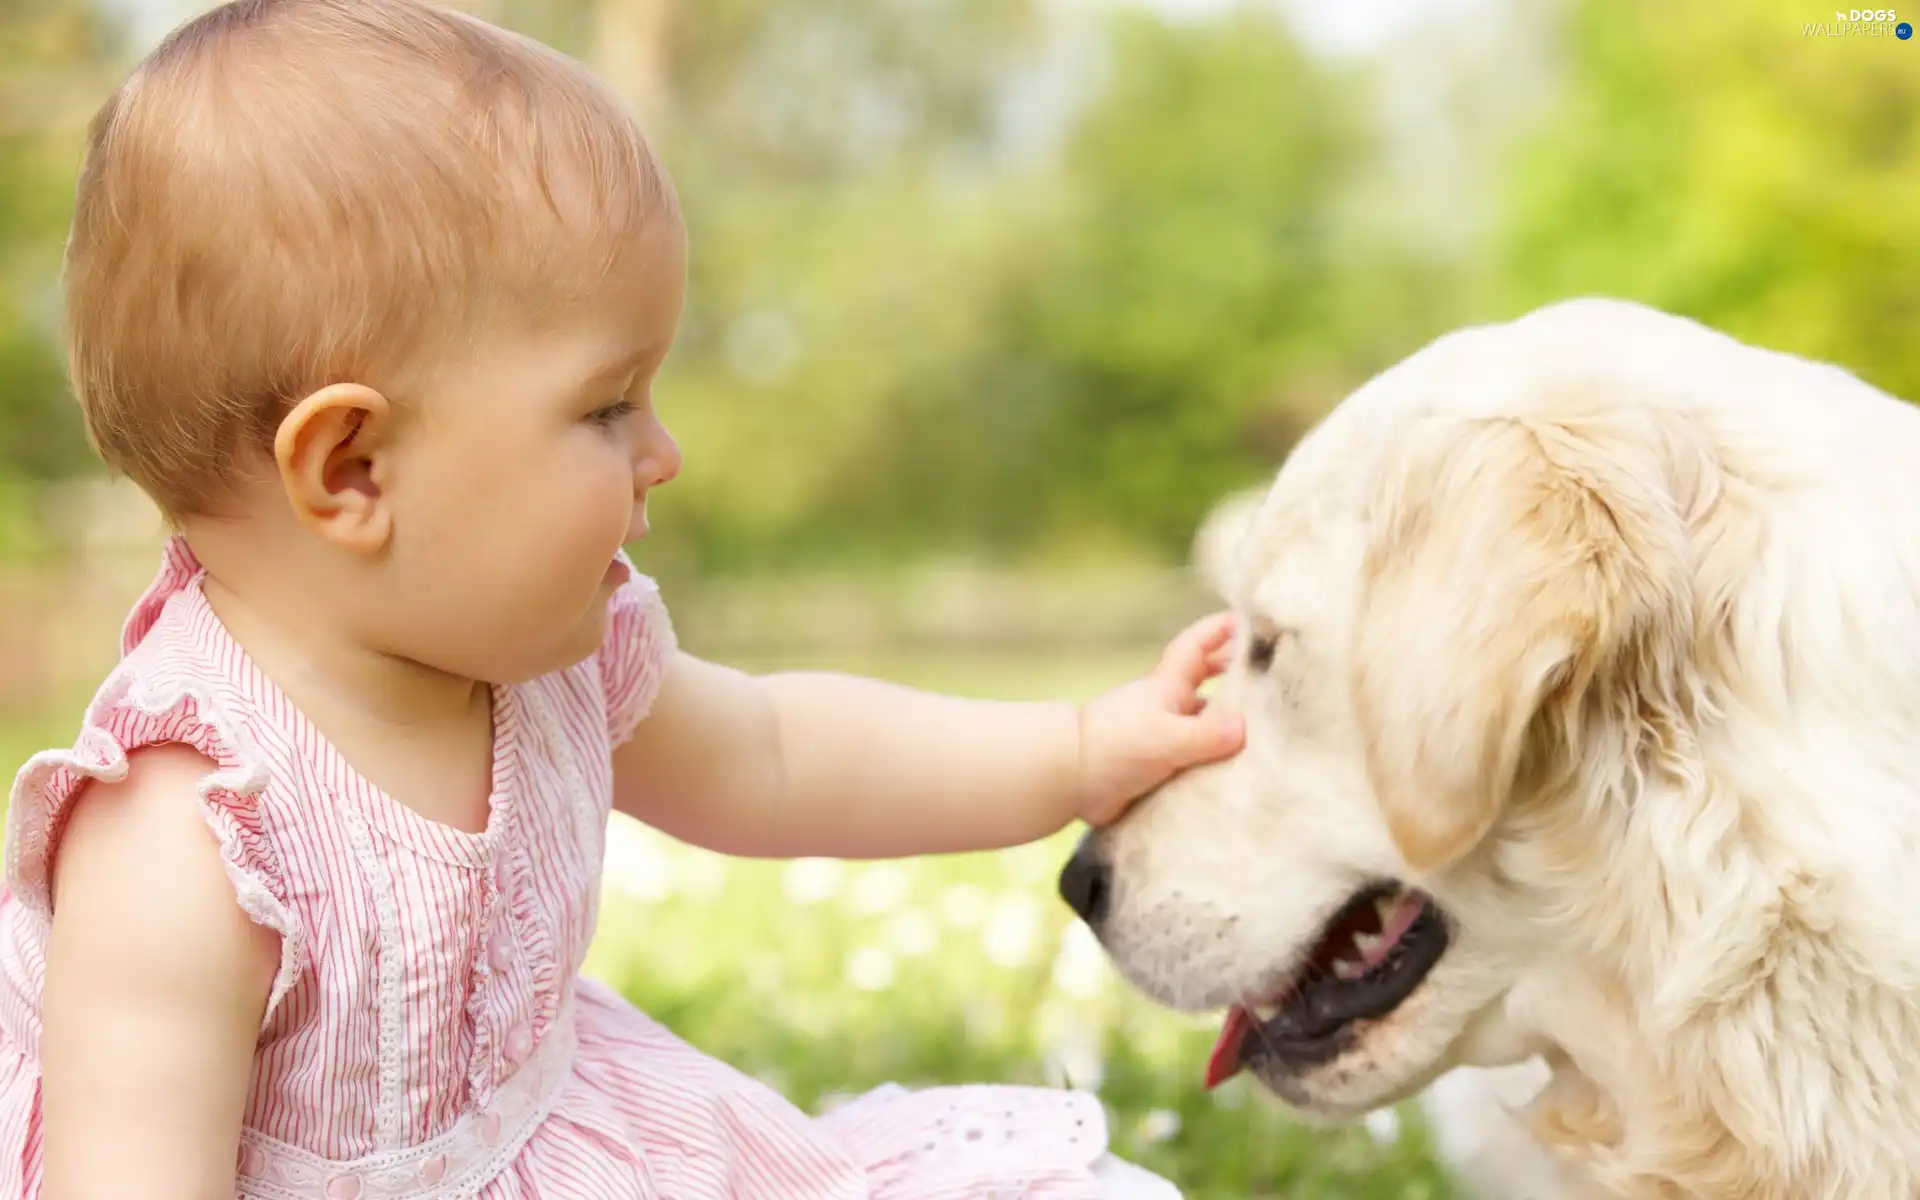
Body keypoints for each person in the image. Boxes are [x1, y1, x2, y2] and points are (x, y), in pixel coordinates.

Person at [1, 2, 1247, 1196]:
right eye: (606, 406)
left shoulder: (548, 657)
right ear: (352, 469)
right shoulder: (189, 834)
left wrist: (1079, 750)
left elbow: (779, 754)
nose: (663, 453)